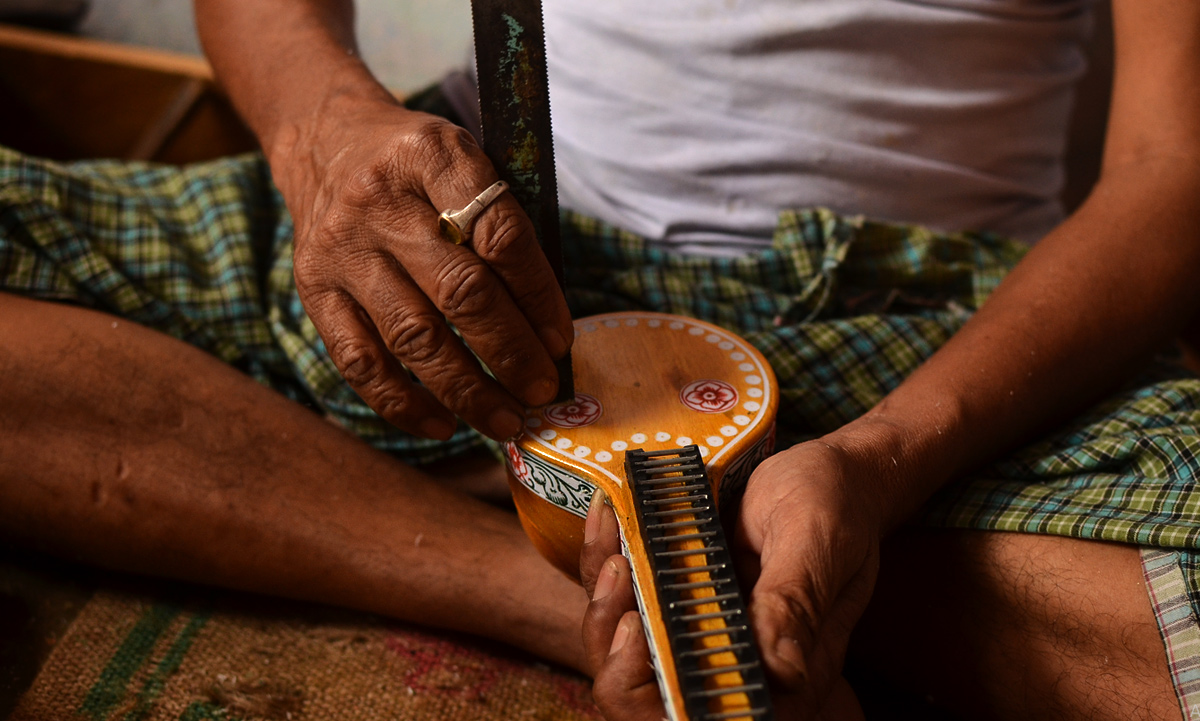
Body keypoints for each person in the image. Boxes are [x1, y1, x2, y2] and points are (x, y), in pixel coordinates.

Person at [0, 1, 1197, 720]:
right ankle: (604, 592)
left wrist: (885, 461)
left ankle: (695, 572)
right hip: (492, 261)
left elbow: (1170, 165)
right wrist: (325, 138)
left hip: (912, 331)